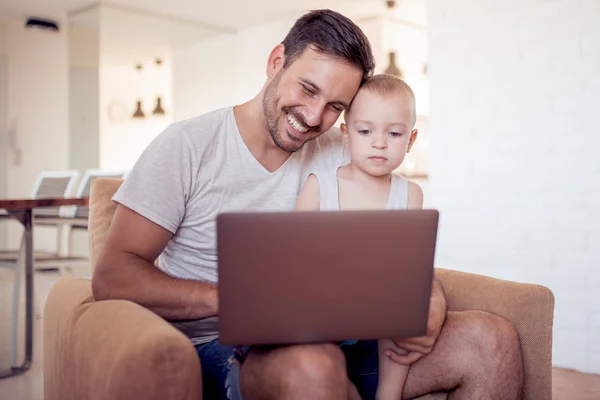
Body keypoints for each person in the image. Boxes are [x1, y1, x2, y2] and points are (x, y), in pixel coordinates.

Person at [92, 8, 524, 400]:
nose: (315, 117)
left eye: (335, 106)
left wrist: (429, 301)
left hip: (349, 335)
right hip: (225, 349)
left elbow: (398, 246)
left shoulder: (345, 150)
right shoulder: (187, 146)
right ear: (276, 61)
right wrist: (243, 299)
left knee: (493, 341)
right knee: (313, 365)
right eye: (307, 88)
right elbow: (114, 275)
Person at [294, 74, 423, 400]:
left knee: (401, 309)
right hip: (324, 305)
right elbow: (290, 254)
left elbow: (409, 266)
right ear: (346, 135)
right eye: (365, 131)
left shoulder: (410, 194)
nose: (379, 142)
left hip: (378, 305)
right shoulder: (319, 185)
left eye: (394, 133)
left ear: (410, 140)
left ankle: (388, 395)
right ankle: (342, 386)